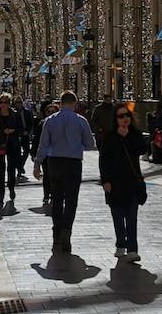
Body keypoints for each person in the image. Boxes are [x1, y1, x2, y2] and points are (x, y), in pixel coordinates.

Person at [34, 90, 96, 252]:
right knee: (71, 200)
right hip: (73, 163)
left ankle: (56, 233)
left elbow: (43, 144)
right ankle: (67, 232)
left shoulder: (50, 121)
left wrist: (37, 164)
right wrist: (77, 145)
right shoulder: (81, 121)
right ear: (74, 104)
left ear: (60, 104)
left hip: (54, 162)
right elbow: (90, 144)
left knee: (57, 199)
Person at [99, 102, 147, 261]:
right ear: (115, 119)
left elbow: (141, 149)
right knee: (118, 217)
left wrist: (127, 137)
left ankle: (132, 249)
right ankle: (121, 244)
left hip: (132, 182)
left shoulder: (135, 134)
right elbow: (104, 160)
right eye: (121, 116)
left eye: (127, 115)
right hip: (114, 183)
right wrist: (105, 180)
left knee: (132, 217)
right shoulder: (109, 136)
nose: (125, 118)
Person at [0, 93, 21, 209]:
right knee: (0, 170)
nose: (3, 105)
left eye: (5, 102)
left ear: (9, 103)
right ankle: (0, 196)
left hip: (12, 144)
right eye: (1, 102)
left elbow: (20, 129)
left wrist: (12, 131)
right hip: (0, 144)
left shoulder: (14, 114)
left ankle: (11, 189)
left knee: (11, 169)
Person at [31, 100, 53, 207]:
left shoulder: (60, 124)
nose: (51, 113)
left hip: (56, 155)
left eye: (53, 111)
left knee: (54, 175)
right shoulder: (42, 123)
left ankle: (54, 194)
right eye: (49, 111)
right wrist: (34, 154)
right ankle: (46, 194)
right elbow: (37, 140)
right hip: (45, 154)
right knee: (47, 175)